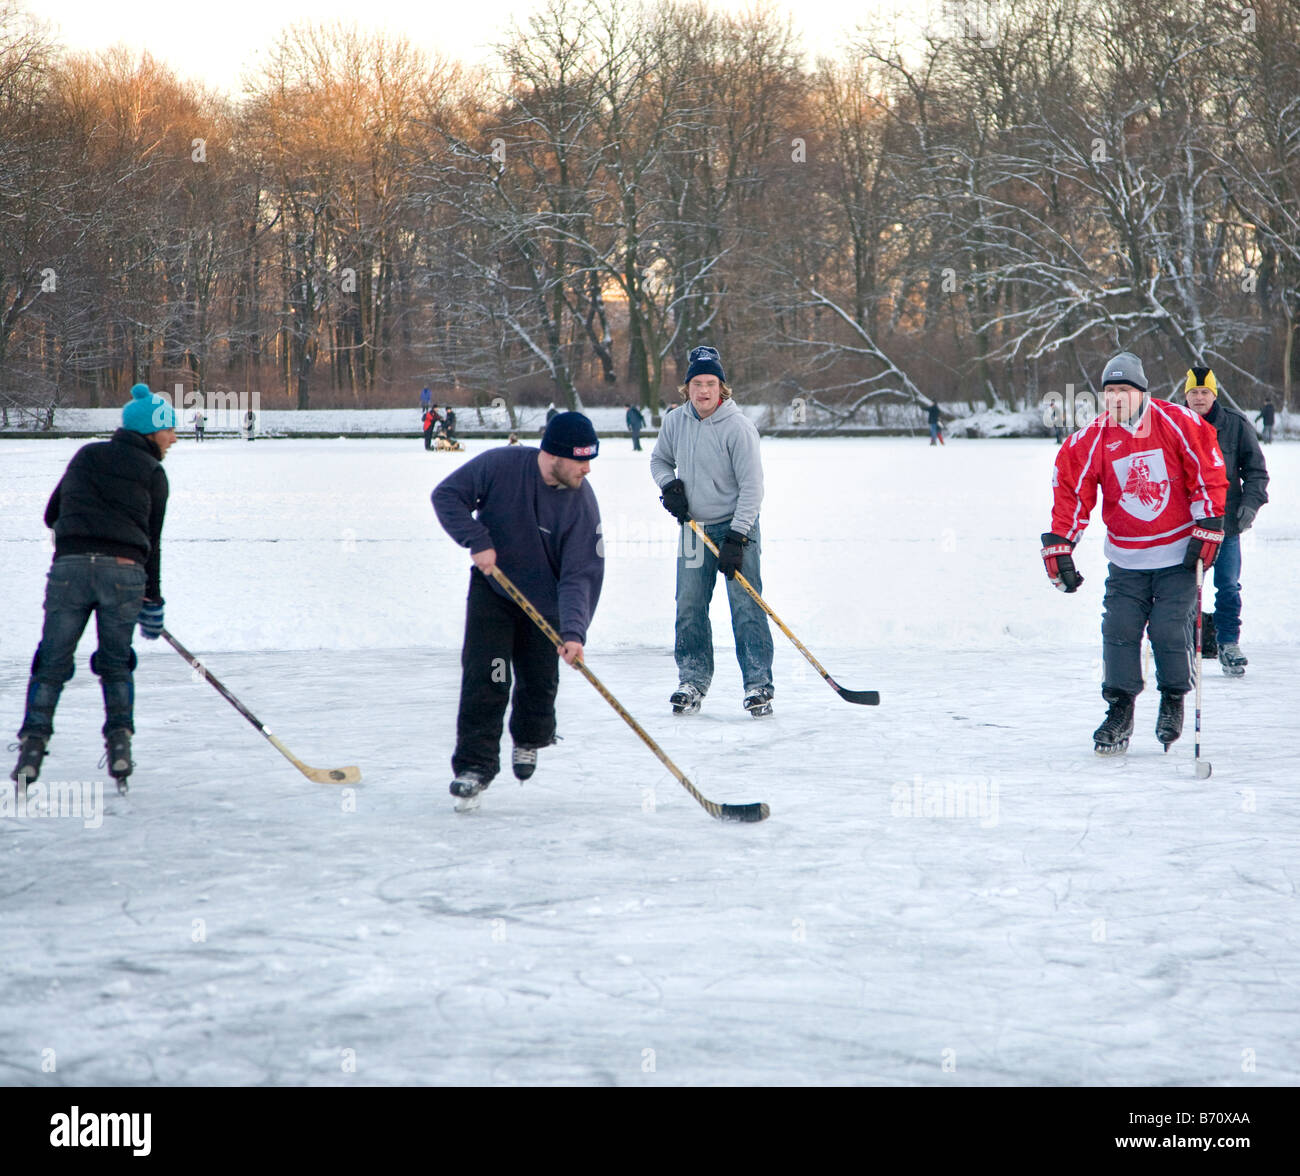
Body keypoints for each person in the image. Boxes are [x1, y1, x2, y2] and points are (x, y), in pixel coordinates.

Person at [1040, 351, 1227, 755]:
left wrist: (1209, 524)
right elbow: (1072, 490)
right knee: (1119, 630)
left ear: (1142, 391)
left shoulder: (1177, 422)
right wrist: (1061, 543)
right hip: (1126, 558)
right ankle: (1119, 709)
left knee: (1167, 627)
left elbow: (1207, 472)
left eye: (1124, 389)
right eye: (1109, 391)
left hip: (1178, 555)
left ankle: (1173, 698)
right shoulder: (1092, 438)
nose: (1116, 397)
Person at [432, 412, 604, 806]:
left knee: (539, 681)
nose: (587, 469)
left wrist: (574, 632)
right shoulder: (500, 466)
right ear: (554, 455)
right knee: (487, 675)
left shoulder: (581, 504)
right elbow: (447, 495)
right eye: (581, 460)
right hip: (495, 592)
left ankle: (529, 738)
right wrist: (476, 539)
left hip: (546, 605)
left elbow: (581, 573)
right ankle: (474, 767)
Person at [10, 384, 176, 790]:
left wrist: (76, 534)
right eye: (169, 429)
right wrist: (151, 601)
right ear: (151, 431)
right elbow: (151, 544)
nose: (174, 439)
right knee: (116, 663)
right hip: (124, 573)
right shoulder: (154, 474)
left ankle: (32, 746)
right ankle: (120, 747)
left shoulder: (86, 455)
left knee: (52, 661)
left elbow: (52, 513)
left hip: (70, 570)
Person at [651, 344, 774, 718]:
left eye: (711, 383)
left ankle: (758, 685)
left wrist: (737, 538)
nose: (703, 390)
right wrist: (669, 486)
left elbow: (753, 487)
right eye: (697, 383)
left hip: (736, 528)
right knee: (689, 605)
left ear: (722, 388)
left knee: (745, 606)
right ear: (686, 387)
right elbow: (659, 460)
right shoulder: (675, 422)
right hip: (693, 529)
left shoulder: (738, 427)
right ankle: (692, 680)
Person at [1184, 367, 1269, 677]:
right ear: (1186, 395)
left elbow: (1256, 472)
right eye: (1193, 392)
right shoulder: (1174, 424)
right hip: (1187, 525)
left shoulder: (1235, 424)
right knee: (1185, 588)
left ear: (1214, 394)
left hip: (1225, 524)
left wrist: (1250, 505)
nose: (1199, 398)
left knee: (1228, 586)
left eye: (1204, 392)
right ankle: (1181, 643)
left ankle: (1228, 643)